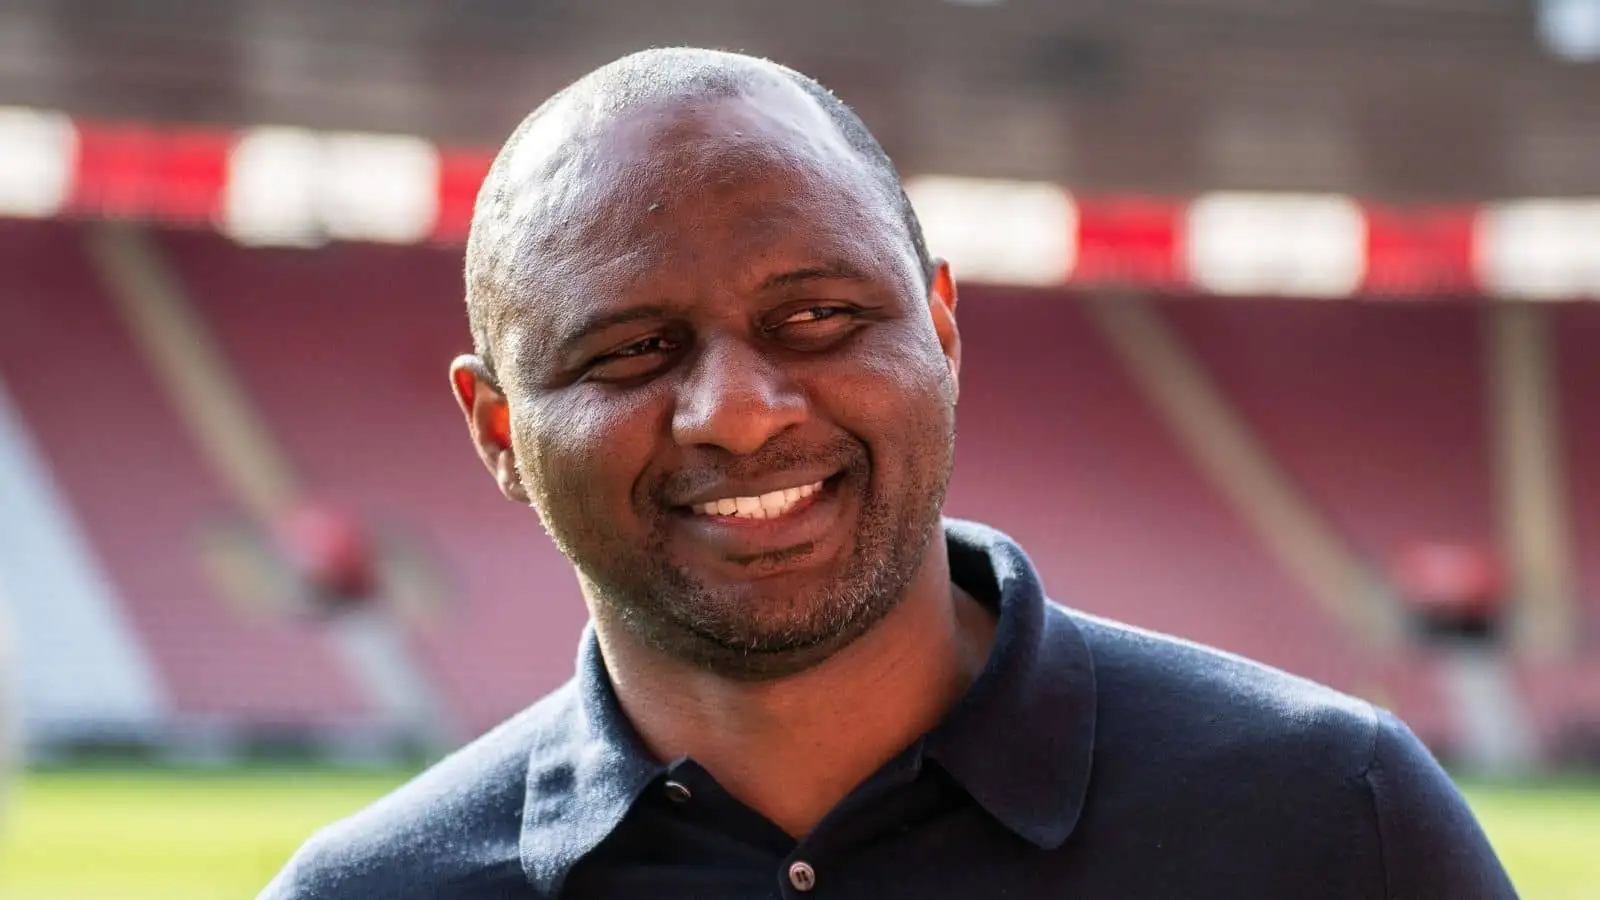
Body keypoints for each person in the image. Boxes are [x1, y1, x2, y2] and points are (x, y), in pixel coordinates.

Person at [262, 48, 1516, 899]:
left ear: (943, 332)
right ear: (495, 431)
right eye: (631, 350)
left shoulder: (1333, 823)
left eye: (818, 318)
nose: (740, 416)